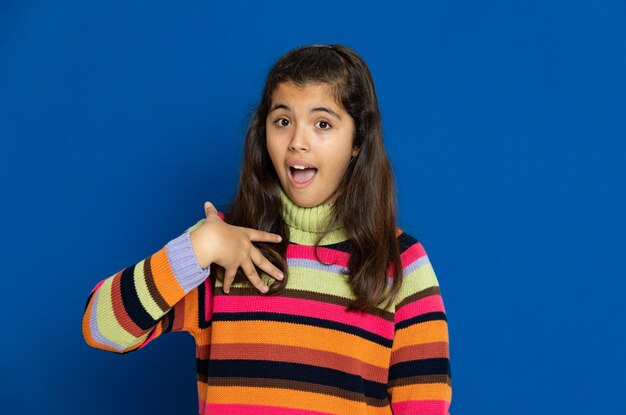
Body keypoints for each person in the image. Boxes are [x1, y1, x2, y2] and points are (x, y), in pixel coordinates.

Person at [82, 44, 452, 415]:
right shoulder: (221, 247)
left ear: (357, 140)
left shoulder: (401, 263)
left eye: (322, 124)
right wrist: (198, 246)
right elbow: (101, 329)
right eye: (283, 121)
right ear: (264, 132)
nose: (298, 142)